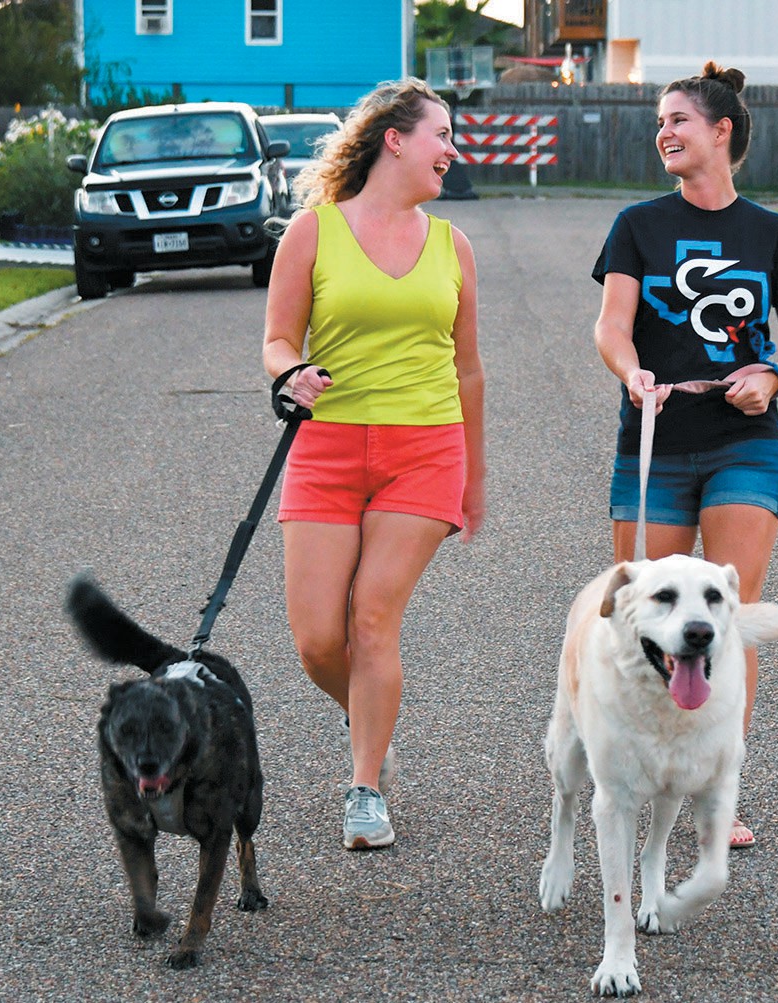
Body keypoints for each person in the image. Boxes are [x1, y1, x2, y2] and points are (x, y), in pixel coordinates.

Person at [591, 62, 778, 849]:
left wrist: (775, 376)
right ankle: (636, 776)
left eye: (678, 120)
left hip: (744, 446)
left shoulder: (771, 234)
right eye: (660, 121)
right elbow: (612, 325)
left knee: (725, 621)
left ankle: (716, 791)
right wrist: (630, 374)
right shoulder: (636, 225)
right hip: (654, 441)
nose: (664, 131)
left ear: (719, 131)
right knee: (640, 619)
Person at [262, 79, 485, 851]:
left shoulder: (453, 243)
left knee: (372, 614)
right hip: (325, 447)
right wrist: (290, 374)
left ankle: (364, 788)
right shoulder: (313, 232)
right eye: (442, 134)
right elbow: (278, 339)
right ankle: (370, 721)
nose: (452, 150)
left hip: (424, 448)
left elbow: (467, 371)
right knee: (317, 640)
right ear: (394, 139)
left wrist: (474, 476)